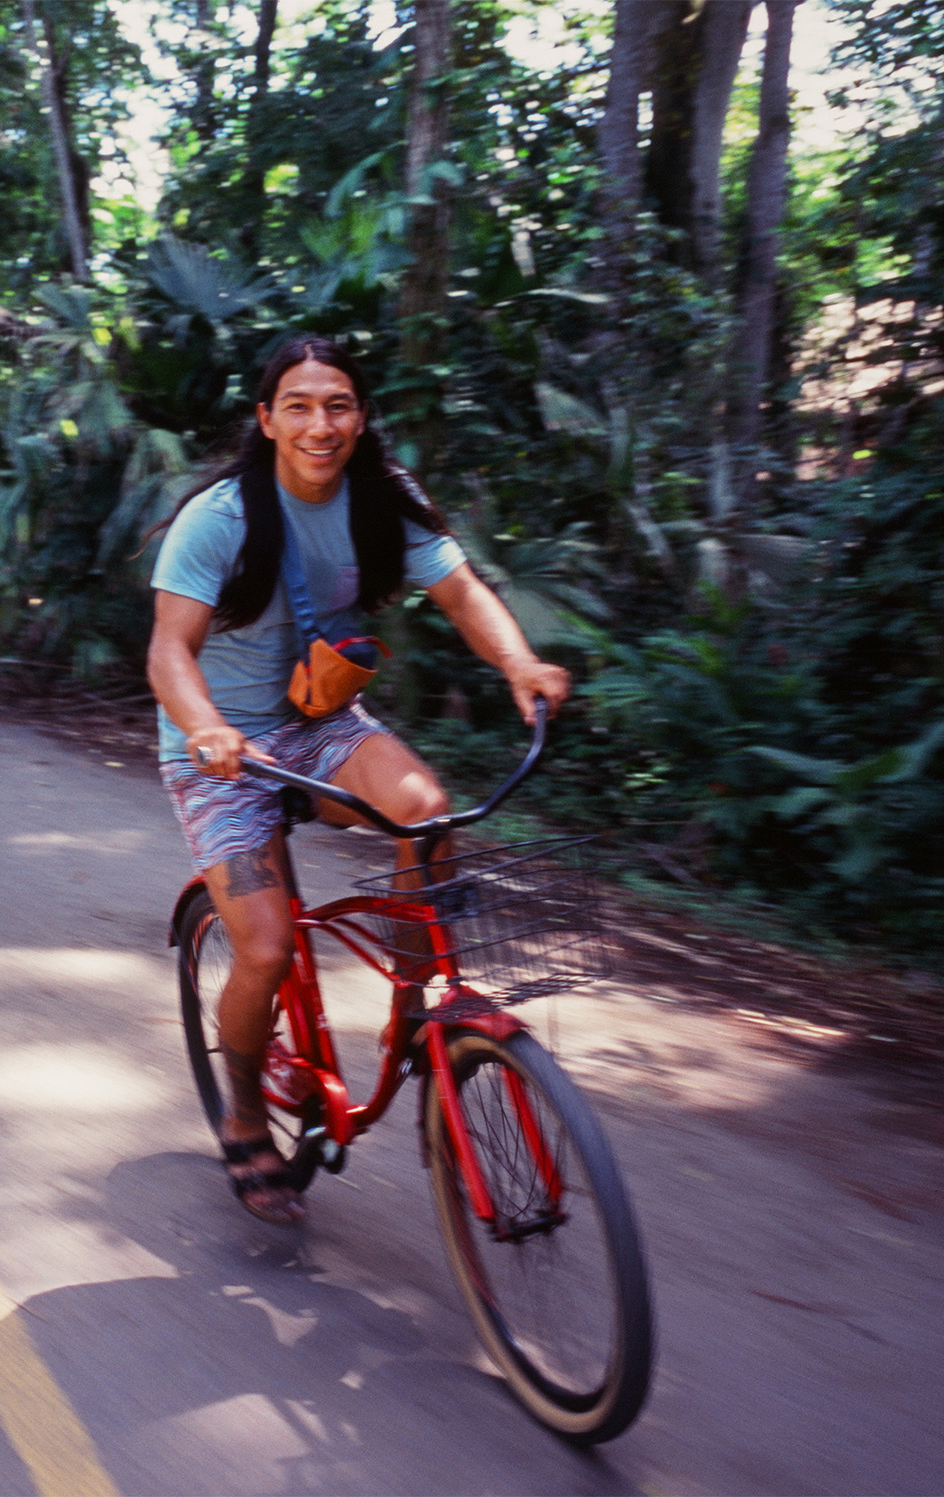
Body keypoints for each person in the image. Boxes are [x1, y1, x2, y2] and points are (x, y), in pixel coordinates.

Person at [147, 334, 569, 1224]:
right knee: (263, 946)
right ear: (266, 421)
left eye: (337, 404)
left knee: (428, 814)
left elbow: (462, 593)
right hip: (220, 748)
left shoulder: (382, 501)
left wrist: (520, 663)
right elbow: (168, 650)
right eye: (297, 405)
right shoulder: (221, 517)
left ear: (361, 416)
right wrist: (207, 728)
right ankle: (248, 1116)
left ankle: (418, 1016)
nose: (319, 423)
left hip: (320, 725)